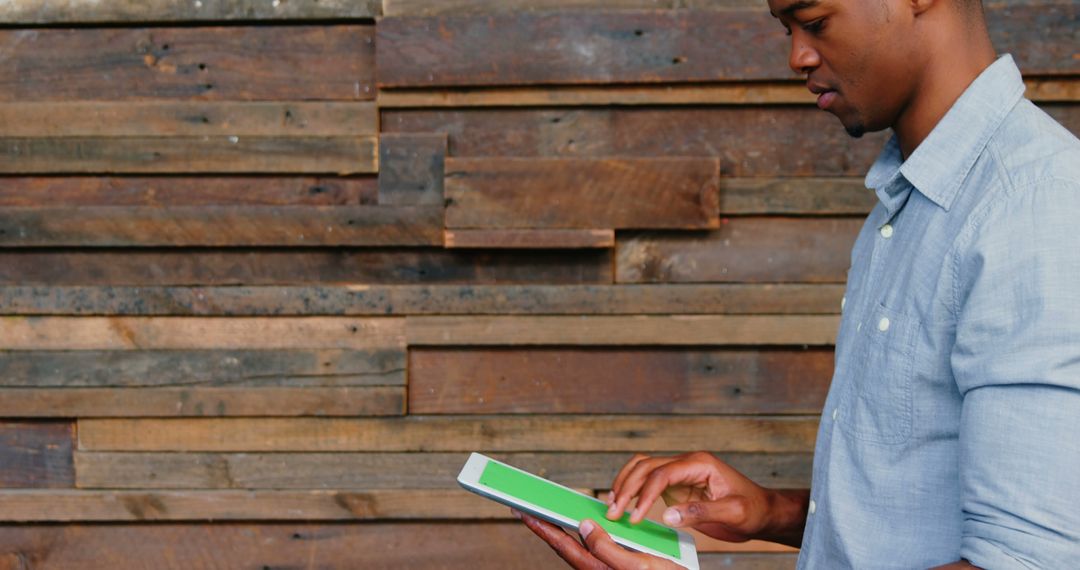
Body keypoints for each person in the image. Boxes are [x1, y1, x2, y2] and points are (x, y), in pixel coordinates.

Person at [514, 0, 1080, 567]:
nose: (796, 56)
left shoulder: (1033, 207)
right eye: (787, 30)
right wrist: (770, 512)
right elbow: (916, 505)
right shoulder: (910, 204)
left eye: (814, 22)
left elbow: (1030, 560)